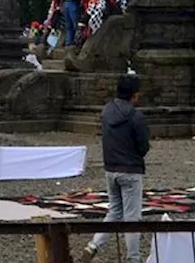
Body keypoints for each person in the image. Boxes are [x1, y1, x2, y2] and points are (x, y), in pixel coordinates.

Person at [77, 74, 151, 263]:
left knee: (114, 211)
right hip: (131, 169)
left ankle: (93, 245)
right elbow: (143, 146)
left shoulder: (107, 111)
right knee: (132, 218)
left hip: (110, 168)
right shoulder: (136, 116)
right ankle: (133, 258)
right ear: (134, 95)